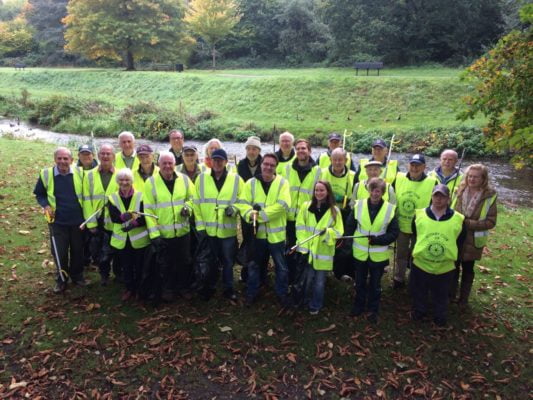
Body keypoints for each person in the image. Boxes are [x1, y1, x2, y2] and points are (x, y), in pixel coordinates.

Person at [240, 153, 291, 307]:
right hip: (258, 235)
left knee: (281, 267)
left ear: (276, 167)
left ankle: (281, 294)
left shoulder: (283, 183)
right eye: (266, 164)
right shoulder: (250, 183)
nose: (268, 167)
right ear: (261, 165)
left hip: (277, 236)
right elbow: (243, 204)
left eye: (272, 165)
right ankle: (251, 293)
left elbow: (283, 206)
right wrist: (250, 214)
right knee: (254, 265)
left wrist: (259, 216)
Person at [411, 184, 465, 327]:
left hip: (445, 267)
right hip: (421, 263)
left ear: (448, 199)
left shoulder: (458, 219)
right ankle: (419, 311)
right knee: (420, 290)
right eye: (436, 195)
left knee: (441, 294)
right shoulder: (419, 215)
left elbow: (460, 240)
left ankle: (439, 316)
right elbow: (415, 234)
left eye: (442, 196)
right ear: (432, 196)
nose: (438, 199)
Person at [345, 178, 399, 323]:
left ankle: (373, 310)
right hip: (360, 252)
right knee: (360, 282)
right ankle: (358, 306)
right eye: (373, 190)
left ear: (382, 193)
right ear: (369, 191)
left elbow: (394, 233)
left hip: (378, 254)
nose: (375, 194)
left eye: (378, 191)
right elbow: (350, 225)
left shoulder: (390, 209)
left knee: (375, 284)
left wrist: (377, 240)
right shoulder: (359, 205)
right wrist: (348, 243)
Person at [193, 148, 244, 300]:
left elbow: (243, 200)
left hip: (227, 231)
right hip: (208, 230)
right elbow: (196, 204)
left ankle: (228, 288)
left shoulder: (236, 180)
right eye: (214, 160)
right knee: (210, 261)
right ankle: (210, 287)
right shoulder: (201, 179)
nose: (217, 163)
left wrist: (234, 209)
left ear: (225, 162)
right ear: (210, 161)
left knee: (228, 261)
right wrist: (200, 227)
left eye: (220, 160)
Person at [143, 152, 195, 302]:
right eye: (164, 163)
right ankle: (168, 289)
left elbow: (193, 198)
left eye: (170, 163)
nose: (167, 166)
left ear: (174, 164)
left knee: (184, 261)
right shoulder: (151, 183)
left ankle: (184, 287)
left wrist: (188, 208)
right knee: (165, 264)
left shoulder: (184, 180)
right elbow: (148, 210)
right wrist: (154, 235)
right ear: (159, 164)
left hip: (182, 231)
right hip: (163, 233)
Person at [34, 147, 87, 292]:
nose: (63, 161)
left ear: (72, 160)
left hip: (78, 221)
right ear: (55, 159)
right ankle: (62, 279)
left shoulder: (80, 173)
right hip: (57, 222)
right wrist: (45, 205)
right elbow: (39, 194)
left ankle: (77, 276)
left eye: (66, 158)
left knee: (77, 250)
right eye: (59, 158)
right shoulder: (46, 174)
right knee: (59, 252)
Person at [294, 181, 343, 314]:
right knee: (308, 279)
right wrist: (304, 246)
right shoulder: (306, 207)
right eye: (316, 190)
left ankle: (316, 305)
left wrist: (327, 233)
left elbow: (339, 231)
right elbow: (300, 226)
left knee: (320, 282)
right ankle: (305, 301)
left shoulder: (334, 211)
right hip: (308, 251)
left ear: (328, 192)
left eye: (322, 190)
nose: (319, 193)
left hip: (323, 253)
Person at [451, 164, 497, 305]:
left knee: (468, 268)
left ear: (483, 178)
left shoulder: (489, 196)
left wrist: (469, 224)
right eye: (470, 176)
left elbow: (491, 222)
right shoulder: (459, 190)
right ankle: (451, 294)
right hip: (456, 235)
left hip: (473, 239)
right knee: (453, 265)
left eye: (476, 177)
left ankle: (463, 298)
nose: (472, 179)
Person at [393, 154, 437, 288]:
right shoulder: (399, 178)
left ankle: (415, 280)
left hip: (421, 226)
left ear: (424, 167)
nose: (414, 168)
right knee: (401, 254)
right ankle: (399, 278)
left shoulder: (432, 182)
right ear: (408, 165)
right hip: (401, 224)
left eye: (418, 165)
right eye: (412, 165)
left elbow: (436, 203)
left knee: (417, 254)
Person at [281, 138, 321, 284]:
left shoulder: (317, 171)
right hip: (290, 217)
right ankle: (291, 279)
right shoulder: (287, 169)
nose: (300, 151)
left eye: (303, 148)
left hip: (307, 218)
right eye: (297, 148)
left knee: (305, 248)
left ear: (309, 151)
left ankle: (304, 278)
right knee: (291, 247)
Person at [108, 168, 150, 301]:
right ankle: (129, 289)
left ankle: (138, 289)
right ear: (117, 181)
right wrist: (122, 217)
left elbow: (145, 216)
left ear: (131, 181)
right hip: (122, 240)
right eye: (121, 180)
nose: (124, 182)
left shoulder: (141, 196)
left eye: (127, 180)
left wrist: (135, 223)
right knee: (126, 266)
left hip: (139, 239)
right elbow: (113, 217)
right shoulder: (112, 197)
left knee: (139, 266)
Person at [82, 144, 119, 285]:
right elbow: (86, 200)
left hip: (114, 220)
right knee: (97, 250)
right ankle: (104, 274)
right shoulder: (89, 175)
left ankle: (117, 273)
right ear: (98, 156)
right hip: (97, 220)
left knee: (114, 248)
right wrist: (91, 223)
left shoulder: (120, 174)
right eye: (102, 153)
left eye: (108, 154)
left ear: (113, 156)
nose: (105, 156)